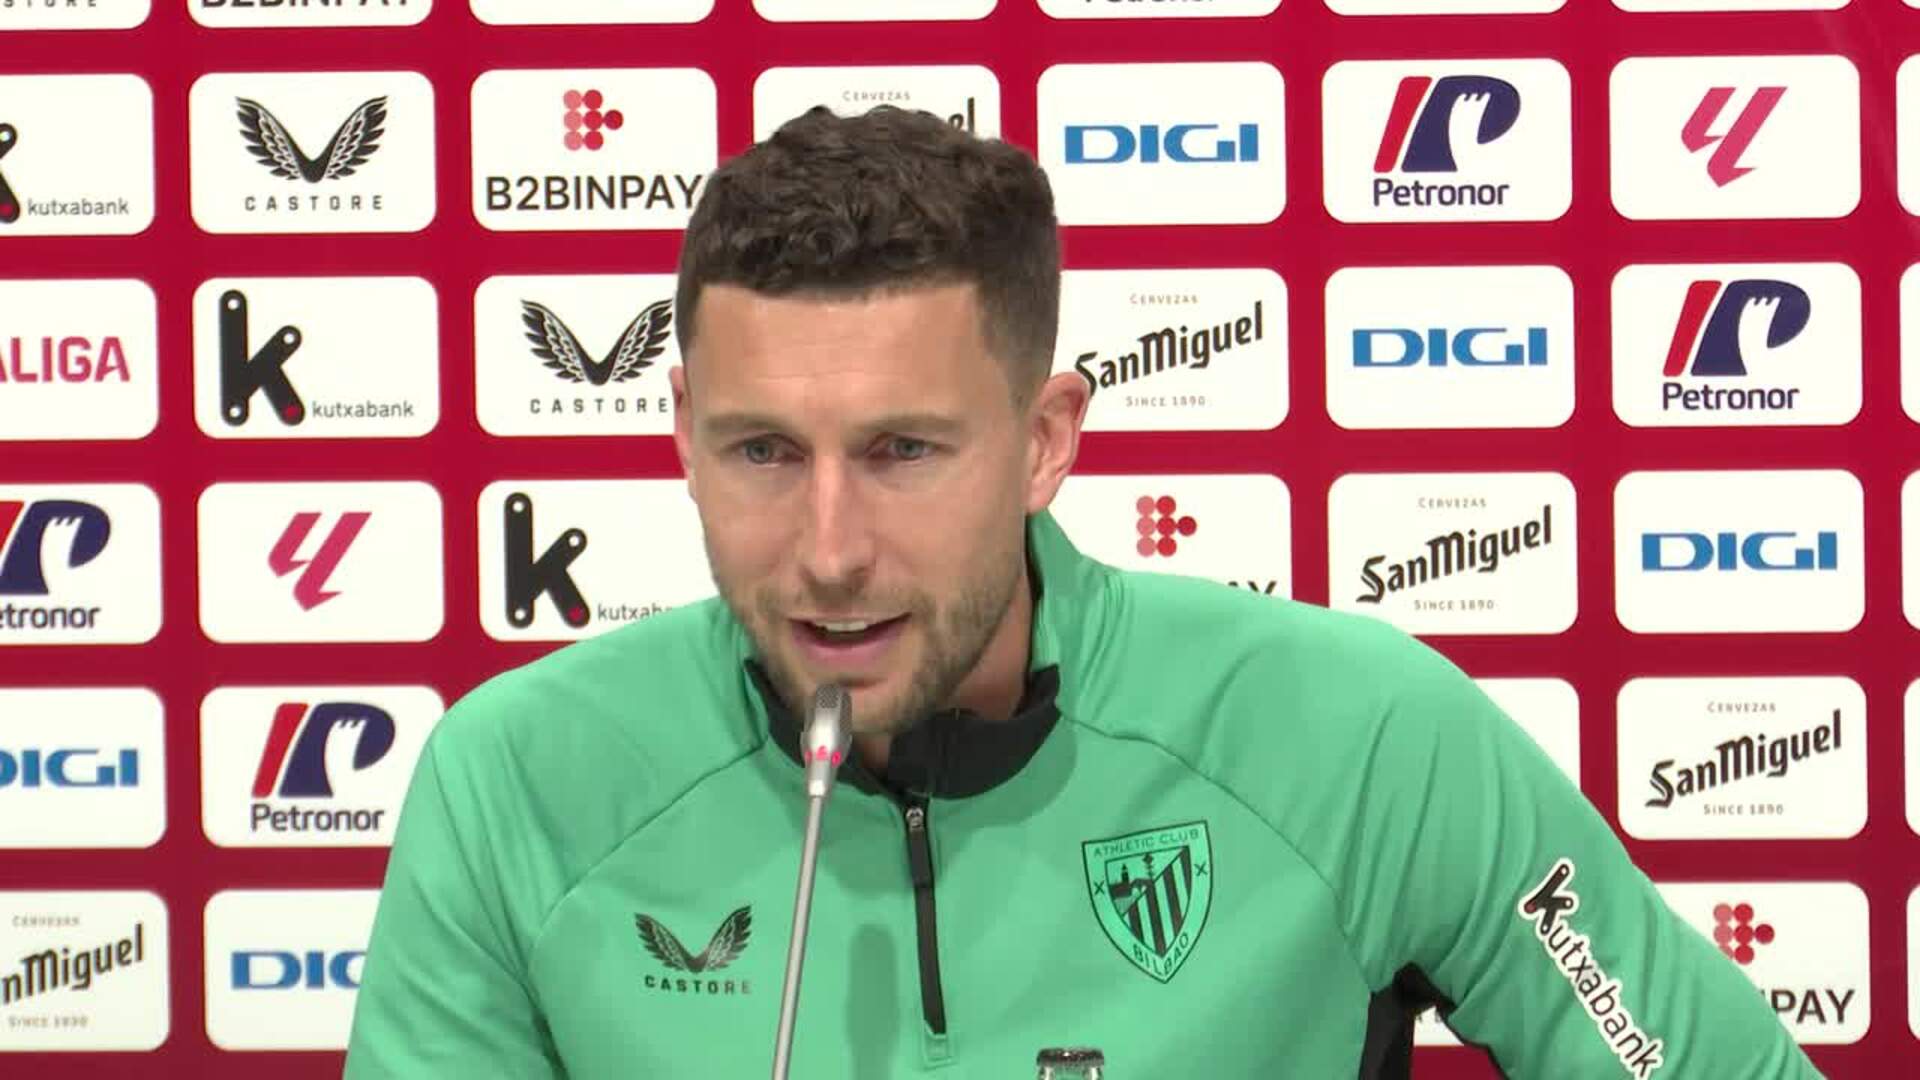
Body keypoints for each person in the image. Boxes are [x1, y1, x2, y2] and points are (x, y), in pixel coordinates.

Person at [342, 104, 1825, 1078]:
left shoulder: (1362, 738)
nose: (830, 549)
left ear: (1045, 441)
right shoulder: (518, 779)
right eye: (763, 451)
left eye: (905, 451)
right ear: (680, 433)